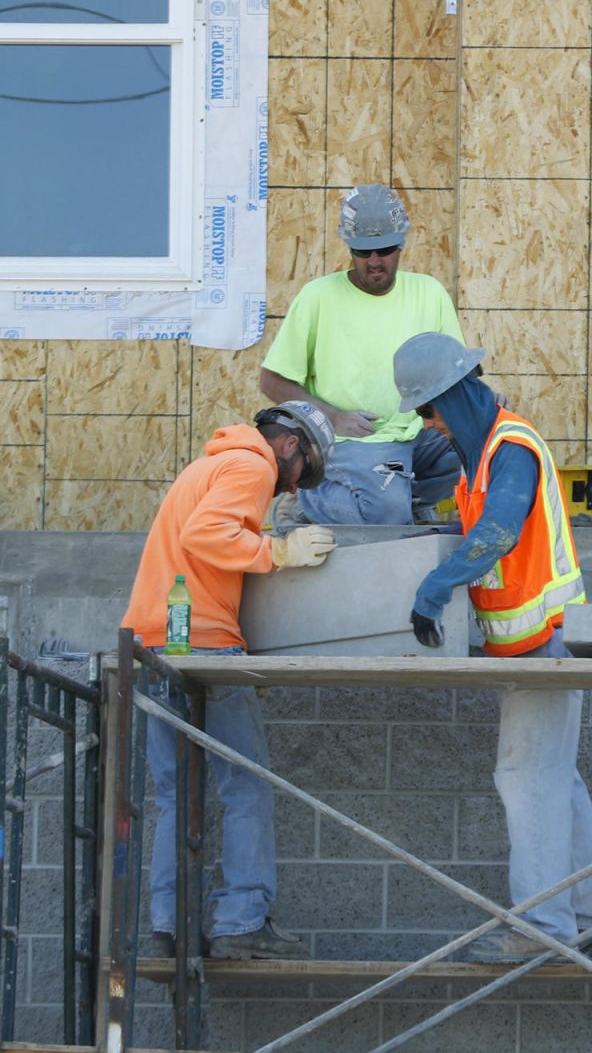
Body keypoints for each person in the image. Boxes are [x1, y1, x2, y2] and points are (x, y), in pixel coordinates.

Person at [393, 332, 592, 962]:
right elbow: (480, 526)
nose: (428, 423)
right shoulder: (481, 458)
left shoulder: (511, 446)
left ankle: (542, 928)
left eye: (428, 408)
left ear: (455, 394)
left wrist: (434, 588)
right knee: (555, 781)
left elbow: (498, 529)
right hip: (530, 655)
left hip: (538, 655)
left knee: (525, 781)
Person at [123, 402, 339, 960]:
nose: (293, 490)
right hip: (202, 645)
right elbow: (207, 535)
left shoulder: (209, 466)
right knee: (245, 786)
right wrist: (280, 551)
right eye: (304, 474)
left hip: (158, 643)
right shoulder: (251, 464)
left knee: (175, 795)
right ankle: (241, 921)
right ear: (289, 445)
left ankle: (169, 926)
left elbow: (197, 550)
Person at [258, 183, 465, 527]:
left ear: (400, 245)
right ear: (349, 248)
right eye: (362, 251)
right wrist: (333, 417)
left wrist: (483, 403)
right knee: (387, 521)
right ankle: (309, 501)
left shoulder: (429, 292)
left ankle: (408, 500)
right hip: (357, 439)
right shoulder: (319, 297)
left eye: (384, 250)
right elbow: (273, 381)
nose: (374, 262)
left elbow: (454, 371)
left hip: (417, 432)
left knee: (481, 442)